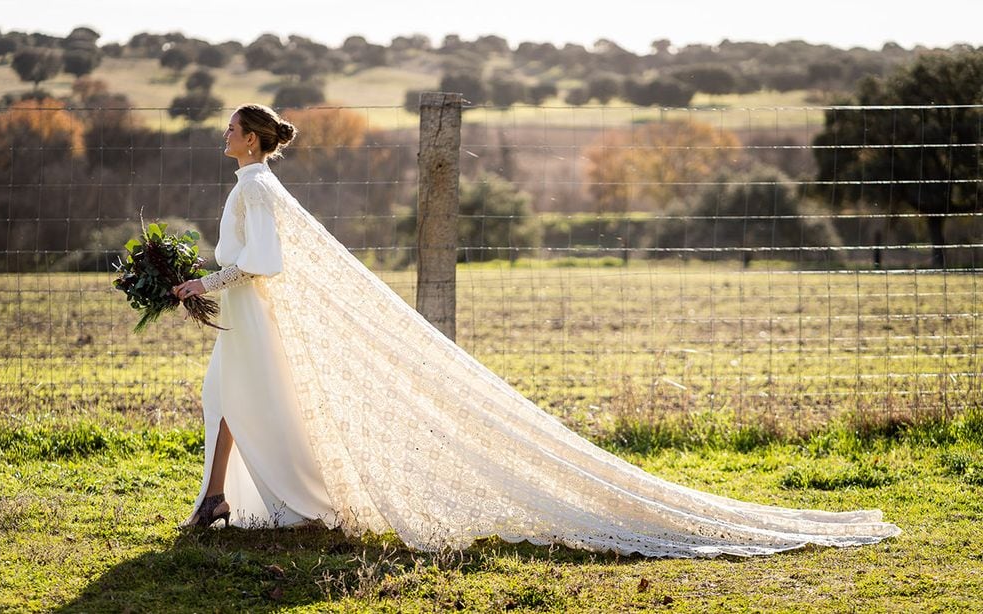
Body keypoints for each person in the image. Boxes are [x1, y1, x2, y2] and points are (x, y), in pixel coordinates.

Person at [172, 103, 901, 557]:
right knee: (227, 401)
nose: (225, 134)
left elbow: (262, 262)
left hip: (251, 313)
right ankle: (225, 497)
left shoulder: (258, 187)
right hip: (244, 316)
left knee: (235, 402)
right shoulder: (251, 186)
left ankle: (244, 500)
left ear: (255, 138)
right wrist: (202, 280)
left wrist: (204, 280)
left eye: (234, 128)